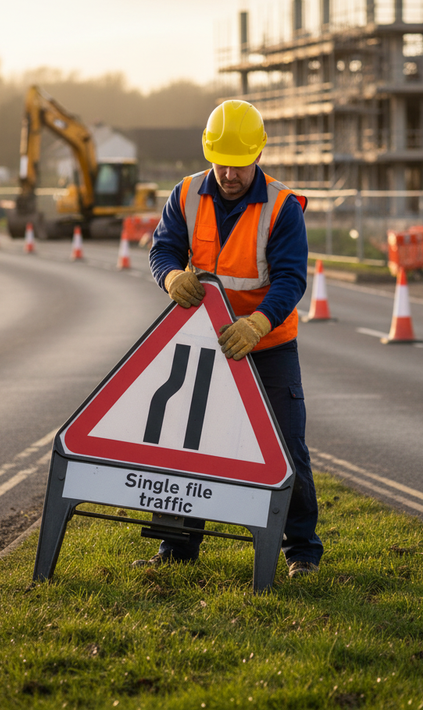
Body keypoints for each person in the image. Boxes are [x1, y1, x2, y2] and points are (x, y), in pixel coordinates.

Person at [137, 99, 323, 578]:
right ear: (209, 153)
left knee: (286, 446)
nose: (229, 173)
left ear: (258, 154)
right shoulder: (185, 194)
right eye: (221, 162)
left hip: (268, 345)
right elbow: (163, 249)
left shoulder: (282, 207)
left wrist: (257, 323)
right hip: (205, 343)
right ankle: (177, 547)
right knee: (186, 443)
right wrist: (171, 276)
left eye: (239, 164)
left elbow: (290, 279)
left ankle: (302, 552)